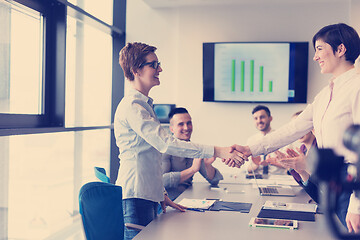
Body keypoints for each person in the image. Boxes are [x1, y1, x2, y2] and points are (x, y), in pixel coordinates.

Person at [225, 23, 360, 231]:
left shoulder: (357, 87)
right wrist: (249, 149)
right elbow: (292, 129)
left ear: (340, 50)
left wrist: (357, 205)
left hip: (352, 186)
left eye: (319, 49)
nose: (315, 57)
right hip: (332, 182)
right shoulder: (325, 94)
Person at [114, 42, 246, 239]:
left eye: (159, 63)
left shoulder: (143, 104)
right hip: (135, 195)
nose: (160, 69)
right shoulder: (133, 106)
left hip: (146, 194)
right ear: (136, 70)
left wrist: (161, 194)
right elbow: (166, 144)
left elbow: (150, 159)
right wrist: (218, 150)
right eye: (153, 64)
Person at [162, 107, 223, 200]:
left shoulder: (194, 148)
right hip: (168, 203)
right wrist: (192, 170)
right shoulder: (165, 148)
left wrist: (207, 165)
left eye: (189, 123)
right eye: (181, 124)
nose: (186, 128)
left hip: (188, 199)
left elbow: (215, 180)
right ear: (172, 129)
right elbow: (161, 181)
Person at [245, 105, 287, 175]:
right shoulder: (251, 141)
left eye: (262, 117)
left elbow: (292, 167)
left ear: (270, 118)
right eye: (256, 118)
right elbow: (248, 169)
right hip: (258, 179)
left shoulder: (282, 137)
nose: (259, 121)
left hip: (279, 179)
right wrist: (257, 164)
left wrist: (274, 163)